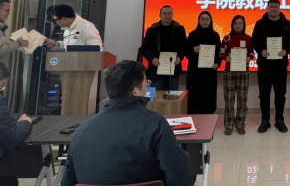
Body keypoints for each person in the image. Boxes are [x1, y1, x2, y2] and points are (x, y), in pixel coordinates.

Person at [61, 60, 196, 186]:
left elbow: (67, 181)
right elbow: (182, 178)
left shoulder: (82, 131)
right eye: (146, 84)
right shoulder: (156, 124)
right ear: (135, 91)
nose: (146, 88)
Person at [252, 0, 290, 134]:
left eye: (276, 7)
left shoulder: (287, 24)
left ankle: (279, 119)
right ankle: (265, 120)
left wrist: (286, 51)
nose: (273, 9)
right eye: (271, 7)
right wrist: (261, 51)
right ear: (267, 8)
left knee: (280, 94)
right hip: (264, 65)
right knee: (264, 94)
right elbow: (254, 41)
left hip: (280, 65)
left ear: (279, 8)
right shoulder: (260, 23)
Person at [220, 15, 255, 136]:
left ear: (244, 25)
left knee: (242, 100)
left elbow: (252, 52)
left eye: (240, 23)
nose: (238, 25)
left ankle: (240, 124)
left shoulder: (248, 38)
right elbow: (221, 52)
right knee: (229, 100)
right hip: (229, 72)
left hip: (243, 72)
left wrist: (249, 58)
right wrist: (225, 57)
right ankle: (229, 125)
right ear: (232, 25)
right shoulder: (226, 38)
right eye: (236, 23)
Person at [140, 5, 187, 90]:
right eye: (165, 13)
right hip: (156, 70)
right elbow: (144, 48)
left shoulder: (179, 29)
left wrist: (180, 57)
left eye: (169, 13)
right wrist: (152, 58)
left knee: (173, 96)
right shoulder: (152, 30)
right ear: (160, 15)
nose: (167, 15)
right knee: (157, 95)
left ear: (173, 15)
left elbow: (184, 46)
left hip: (173, 70)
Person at [184, 11, 221, 115]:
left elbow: (219, 54)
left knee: (209, 99)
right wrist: (193, 50)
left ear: (211, 21)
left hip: (210, 73)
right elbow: (186, 52)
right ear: (199, 21)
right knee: (194, 99)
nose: (205, 21)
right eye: (202, 19)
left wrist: (217, 63)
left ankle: (208, 121)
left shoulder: (215, 35)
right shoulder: (192, 35)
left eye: (207, 19)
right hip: (195, 74)